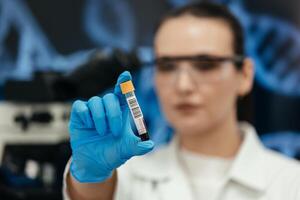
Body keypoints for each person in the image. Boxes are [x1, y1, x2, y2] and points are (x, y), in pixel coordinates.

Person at [63, 2, 300, 200]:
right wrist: (91, 175)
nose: (183, 85)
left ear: (245, 75)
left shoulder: (291, 183)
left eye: (205, 65)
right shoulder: (125, 176)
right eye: (167, 66)